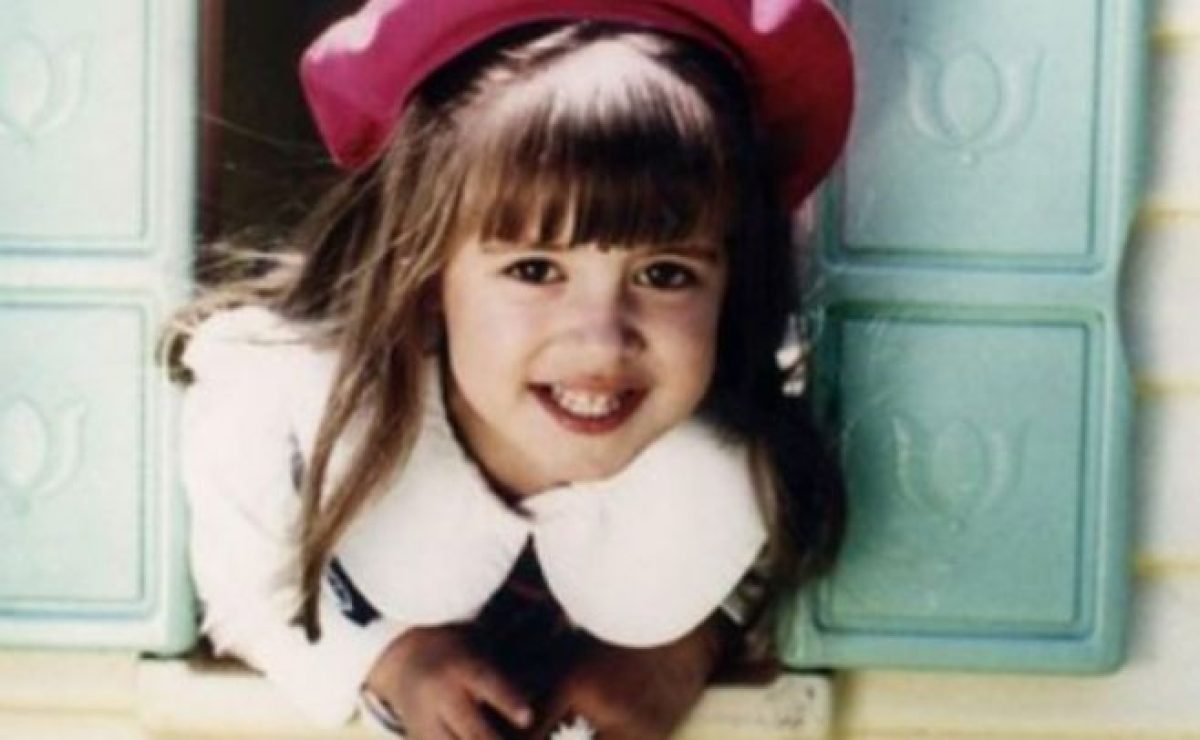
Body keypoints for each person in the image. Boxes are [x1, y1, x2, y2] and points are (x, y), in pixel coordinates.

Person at [165, 1, 853, 737]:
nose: (601, 342)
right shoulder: (289, 402)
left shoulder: (744, 445)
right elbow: (246, 583)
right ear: (426, 273)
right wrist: (387, 658)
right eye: (534, 269)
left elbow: (765, 544)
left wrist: (683, 648)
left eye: (664, 274)